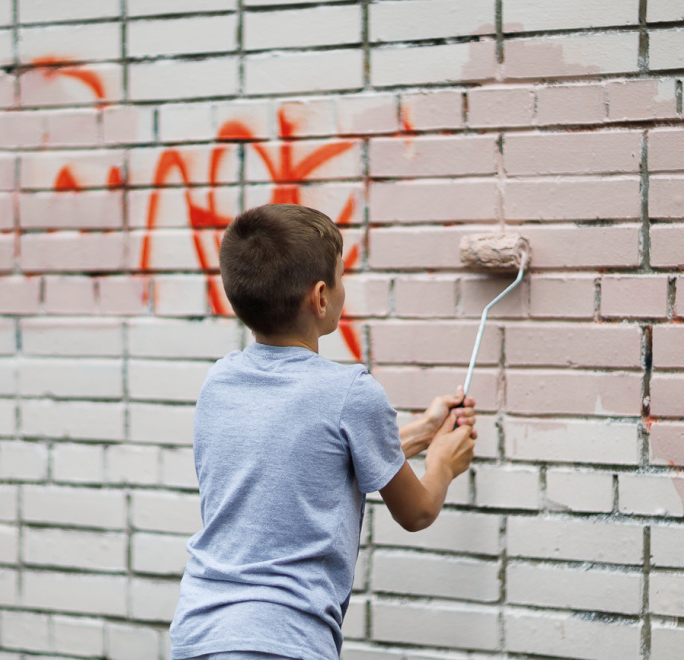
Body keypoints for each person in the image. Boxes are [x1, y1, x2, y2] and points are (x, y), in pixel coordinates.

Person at [169, 204, 477, 660]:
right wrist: (443, 463)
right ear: (320, 297)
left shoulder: (220, 381)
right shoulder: (351, 393)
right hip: (280, 642)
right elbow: (416, 511)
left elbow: (311, 457)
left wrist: (424, 430)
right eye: (340, 276)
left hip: (199, 633)